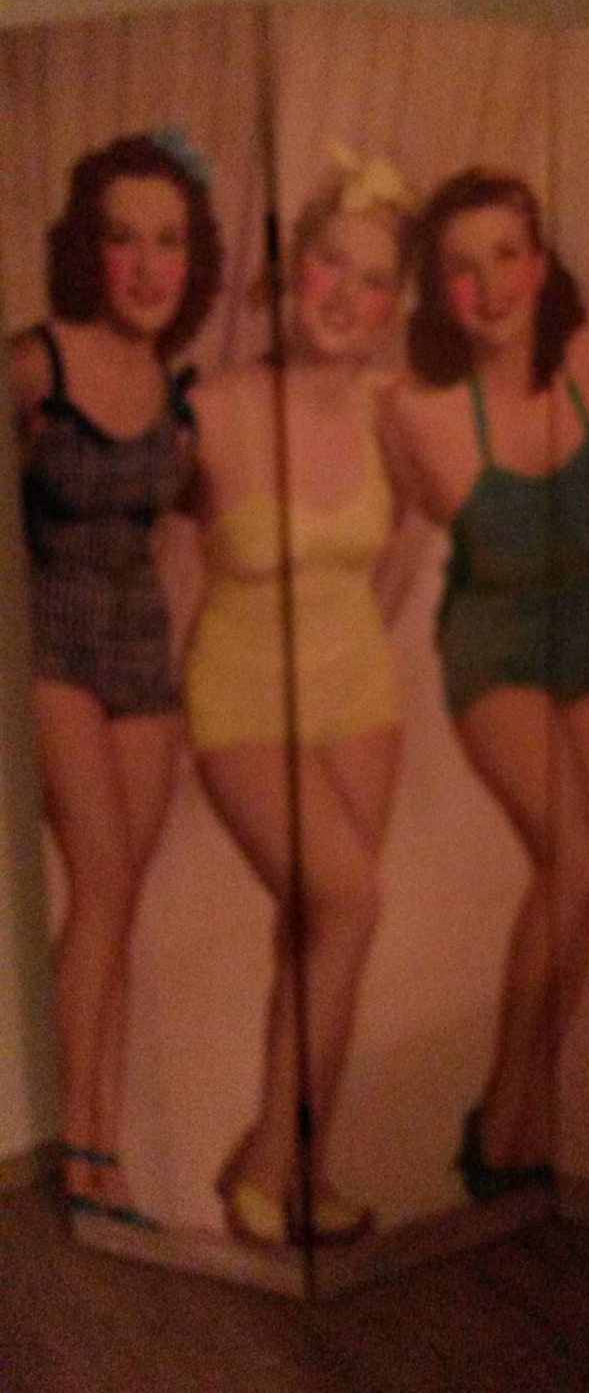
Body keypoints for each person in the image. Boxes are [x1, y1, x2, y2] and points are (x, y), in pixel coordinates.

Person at [379, 168, 589, 1199]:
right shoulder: (418, 411)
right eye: (460, 267)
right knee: (570, 853)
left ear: (537, 263)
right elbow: (387, 541)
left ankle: (523, 1112)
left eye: (503, 256)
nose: (487, 287)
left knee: (586, 872)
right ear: (437, 290)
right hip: (491, 637)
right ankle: (505, 1113)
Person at [185, 152, 418, 1247]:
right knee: (351, 902)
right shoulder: (214, 409)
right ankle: (270, 1160)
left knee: (323, 933)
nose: (345, 294)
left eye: (372, 279)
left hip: (358, 696)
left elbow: (400, 552)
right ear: (292, 272)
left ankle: (303, 1170)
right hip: (240, 700)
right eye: (330, 264)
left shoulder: (388, 417)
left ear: (393, 305)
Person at [10, 128, 222, 1224]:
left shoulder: (180, 395)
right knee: (99, 886)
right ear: (88, 252)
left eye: (169, 242)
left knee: (119, 902)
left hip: (143, 648)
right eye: (124, 239)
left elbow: (219, 512)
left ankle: (102, 1147)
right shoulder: (34, 363)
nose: (147, 267)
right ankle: (83, 1149)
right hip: (49, 642)